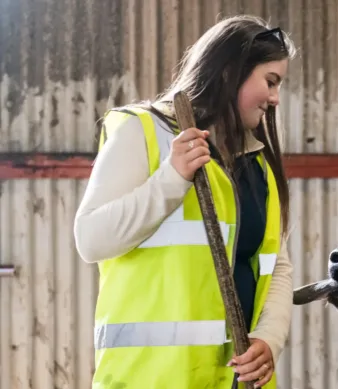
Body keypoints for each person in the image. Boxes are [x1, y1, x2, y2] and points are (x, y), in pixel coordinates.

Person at [74, 15, 297, 389]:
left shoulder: (259, 165)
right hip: (150, 380)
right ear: (230, 72)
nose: (275, 99)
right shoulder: (143, 132)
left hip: (235, 383)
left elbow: (277, 267)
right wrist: (171, 180)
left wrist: (269, 339)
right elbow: (91, 239)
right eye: (270, 81)